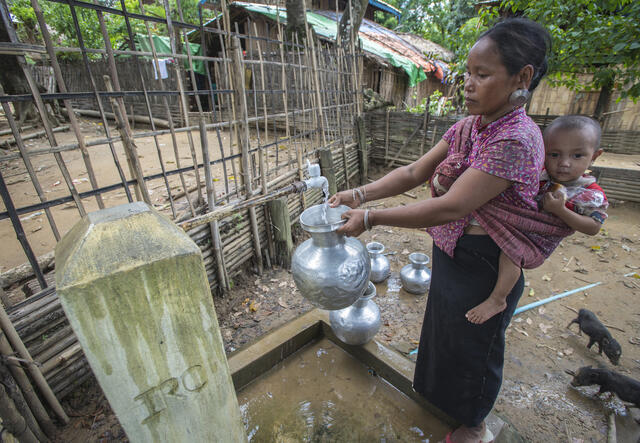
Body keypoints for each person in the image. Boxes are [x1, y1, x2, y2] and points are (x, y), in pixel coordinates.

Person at [328, 18, 567, 443]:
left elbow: (453, 205)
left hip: (488, 264)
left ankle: (473, 424)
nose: (468, 85)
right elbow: (415, 171)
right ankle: (446, 404)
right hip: (453, 249)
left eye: (482, 74)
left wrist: (372, 219)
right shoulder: (470, 127)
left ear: (522, 77)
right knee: (447, 332)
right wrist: (358, 194)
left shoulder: (516, 139)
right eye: (467, 74)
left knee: (476, 345)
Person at [466, 115, 607, 324]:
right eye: (554, 154)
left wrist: (560, 211)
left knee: (511, 254)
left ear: (595, 156)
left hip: (537, 239)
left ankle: (498, 299)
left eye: (577, 155)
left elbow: (593, 227)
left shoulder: (589, 194)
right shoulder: (538, 175)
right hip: (515, 227)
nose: (564, 164)